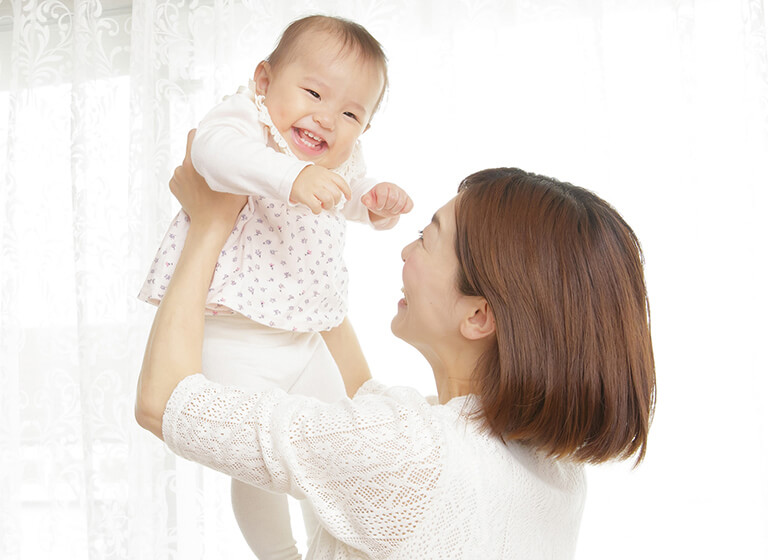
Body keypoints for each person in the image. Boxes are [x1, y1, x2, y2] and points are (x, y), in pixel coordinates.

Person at [135, 131, 656, 559]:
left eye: (428, 239)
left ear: (479, 315)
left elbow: (164, 403)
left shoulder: (403, 452)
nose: (406, 250)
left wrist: (210, 224)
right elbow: (361, 403)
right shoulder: (551, 469)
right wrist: (297, 240)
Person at [138, 16, 412, 559]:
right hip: (237, 332)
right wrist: (290, 177)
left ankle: (334, 544)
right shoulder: (246, 119)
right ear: (264, 80)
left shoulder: (337, 156)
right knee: (257, 460)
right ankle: (280, 554)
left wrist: (374, 202)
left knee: (334, 448)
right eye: (313, 92)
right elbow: (211, 155)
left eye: (351, 113)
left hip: (306, 336)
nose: (327, 118)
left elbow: (347, 193)